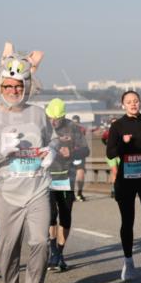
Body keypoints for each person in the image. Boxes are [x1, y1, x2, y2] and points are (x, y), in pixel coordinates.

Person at [0, 43, 57, 283]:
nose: (14, 91)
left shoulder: (38, 114)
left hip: (37, 188)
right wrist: (1, 151)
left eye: (18, 86)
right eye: (8, 87)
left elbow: (52, 140)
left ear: (26, 86)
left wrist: (52, 151)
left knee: (40, 242)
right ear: (0, 87)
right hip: (7, 192)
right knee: (9, 248)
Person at [106, 90, 141, 281]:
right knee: (127, 221)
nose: (133, 104)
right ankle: (128, 262)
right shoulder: (117, 126)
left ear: (140, 103)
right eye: (129, 102)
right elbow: (110, 153)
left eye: (136, 101)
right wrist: (122, 142)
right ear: (123, 105)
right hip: (125, 180)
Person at [45, 99, 89, 272]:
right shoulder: (42, 127)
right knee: (50, 215)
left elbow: (86, 150)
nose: (54, 121)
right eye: (51, 118)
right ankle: (53, 251)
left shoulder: (73, 127)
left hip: (66, 178)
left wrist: (72, 152)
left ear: (63, 116)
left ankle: (59, 253)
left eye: (58, 118)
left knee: (65, 216)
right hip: (46, 178)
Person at [71, 115, 88, 200]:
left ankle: (77, 193)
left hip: (77, 155)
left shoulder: (81, 131)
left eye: (76, 123)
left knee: (78, 174)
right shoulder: (79, 131)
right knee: (75, 174)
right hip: (74, 155)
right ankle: (76, 194)